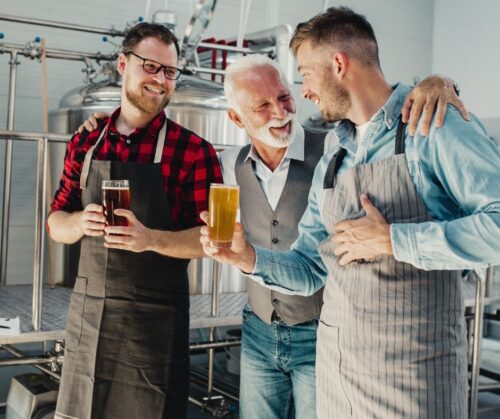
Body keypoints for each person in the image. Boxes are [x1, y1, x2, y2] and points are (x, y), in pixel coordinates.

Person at [81, 55, 465, 419]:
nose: (280, 112)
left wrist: (437, 82)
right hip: (259, 330)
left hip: (321, 333)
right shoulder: (230, 165)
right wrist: (105, 125)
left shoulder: (335, 150)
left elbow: (377, 107)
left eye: (283, 98)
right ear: (234, 117)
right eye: (261, 106)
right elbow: (207, 233)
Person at [201, 7, 500, 419]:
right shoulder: (334, 156)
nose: (303, 91)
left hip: (412, 379)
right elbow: (310, 268)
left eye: (305, 73)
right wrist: (247, 259)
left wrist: (394, 240)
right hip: (337, 379)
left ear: (338, 64)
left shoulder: (432, 125)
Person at [48, 23, 222, 419]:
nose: (160, 80)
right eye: (150, 67)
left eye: (170, 72)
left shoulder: (194, 151)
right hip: (90, 318)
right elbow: (55, 223)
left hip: (154, 329)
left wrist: (151, 239)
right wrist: (78, 223)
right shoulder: (87, 142)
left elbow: (212, 240)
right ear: (123, 64)